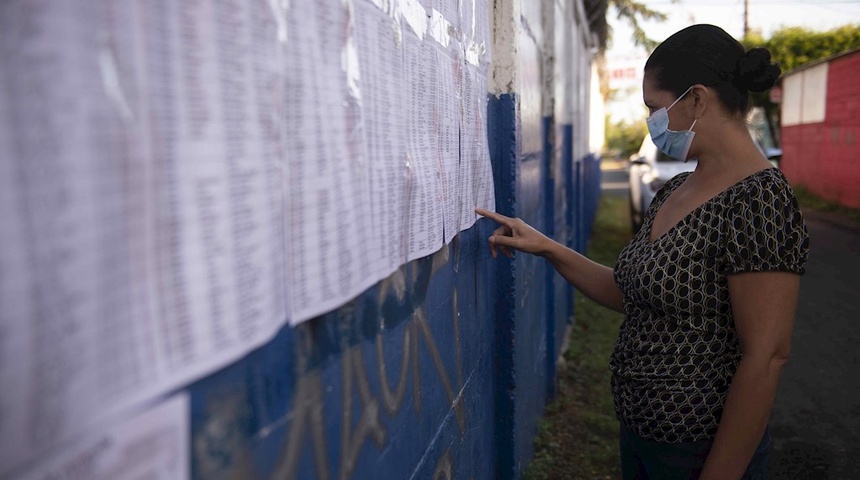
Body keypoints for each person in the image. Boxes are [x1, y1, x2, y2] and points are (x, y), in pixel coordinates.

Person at [476, 24, 809, 480]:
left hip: (700, 451)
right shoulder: (676, 188)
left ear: (696, 99)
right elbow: (632, 291)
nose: (650, 121)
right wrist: (547, 248)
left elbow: (768, 355)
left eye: (654, 107)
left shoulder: (760, 200)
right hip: (642, 437)